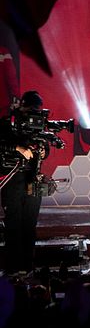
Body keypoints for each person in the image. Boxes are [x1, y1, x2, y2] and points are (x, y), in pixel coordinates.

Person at [0, 90, 48, 274]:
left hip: (32, 181)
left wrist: (43, 152)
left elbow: (45, 147)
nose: (32, 113)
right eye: (30, 109)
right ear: (21, 107)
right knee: (13, 224)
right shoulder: (7, 124)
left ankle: (27, 267)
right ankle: (12, 268)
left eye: (36, 109)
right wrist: (17, 148)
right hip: (11, 179)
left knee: (29, 224)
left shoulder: (39, 125)